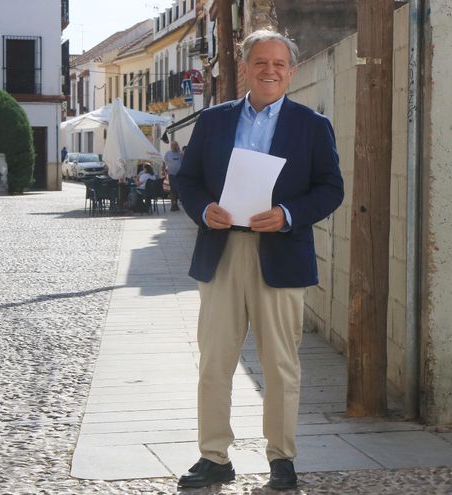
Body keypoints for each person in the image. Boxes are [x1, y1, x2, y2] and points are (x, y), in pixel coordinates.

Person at [174, 29, 344, 491]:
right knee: (214, 362)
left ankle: (282, 460)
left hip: (281, 256)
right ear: (246, 68)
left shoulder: (312, 126)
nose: (270, 70)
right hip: (222, 250)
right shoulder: (212, 121)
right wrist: (203, 209)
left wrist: (289, 214)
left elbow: (331, 189)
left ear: (291, 72)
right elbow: (186, 181)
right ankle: (214, 457)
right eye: (261, 62)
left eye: (279, 64)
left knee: (281, 364)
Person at [163, 140, 183, 211]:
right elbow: (164, 162)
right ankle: (173, 204)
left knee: (177, 189)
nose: (174, 146)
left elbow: (183, 162)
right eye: (173, 145)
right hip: (171, 174)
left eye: (175, 145)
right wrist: (164, 171)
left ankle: (176, 204)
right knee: (172, 189)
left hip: (179, 175)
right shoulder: (168, 153)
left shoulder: (180, 153)